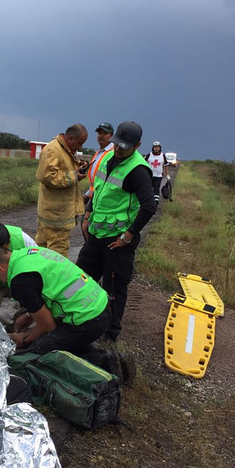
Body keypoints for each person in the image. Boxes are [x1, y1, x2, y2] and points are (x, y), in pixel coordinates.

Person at [0, 245, 133, 385]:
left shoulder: (19, 281)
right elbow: (48, 288)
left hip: (89, 319)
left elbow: (48, 325)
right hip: (100, 304)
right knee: (61, 340)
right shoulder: (31, 252)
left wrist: (25, 339)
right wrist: (29, 315)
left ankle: (105, 361)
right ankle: (105, 356)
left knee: (40, 351)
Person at [76, 121, 157, 344]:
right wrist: (88, 213)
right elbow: (98, 189)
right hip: (95, 234)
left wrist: (128, 236)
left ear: (138, 145)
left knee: (113, 288)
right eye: (116, 145)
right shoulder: (108, 158)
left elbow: (149, 206)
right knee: (81, 278)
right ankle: (78, 318)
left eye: (124, 147)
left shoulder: (138, 170)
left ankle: (109, 334)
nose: (119, 150)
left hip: (117, 242)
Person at [34, 123, 88, 257]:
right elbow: (46, 176)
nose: (80, 147)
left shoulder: (64, 150)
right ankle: (51, 278)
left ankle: (40, 276)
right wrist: (74, 175)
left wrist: (78, 165)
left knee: (41, 252)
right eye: (79, 143)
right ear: (70, 138)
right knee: (57, 257)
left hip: (54, 214)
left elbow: (62, 168)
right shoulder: (53, 150)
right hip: (56, 218)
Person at [83, 122, 115, 205]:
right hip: (94, 195)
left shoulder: (114, 153)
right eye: (100, 133)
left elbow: (111, 180)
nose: (102, 136)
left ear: (111, 135)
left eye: (105, 133)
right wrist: (88, 194)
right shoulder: (98, 153)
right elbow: (96, 178)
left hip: (104, 198)